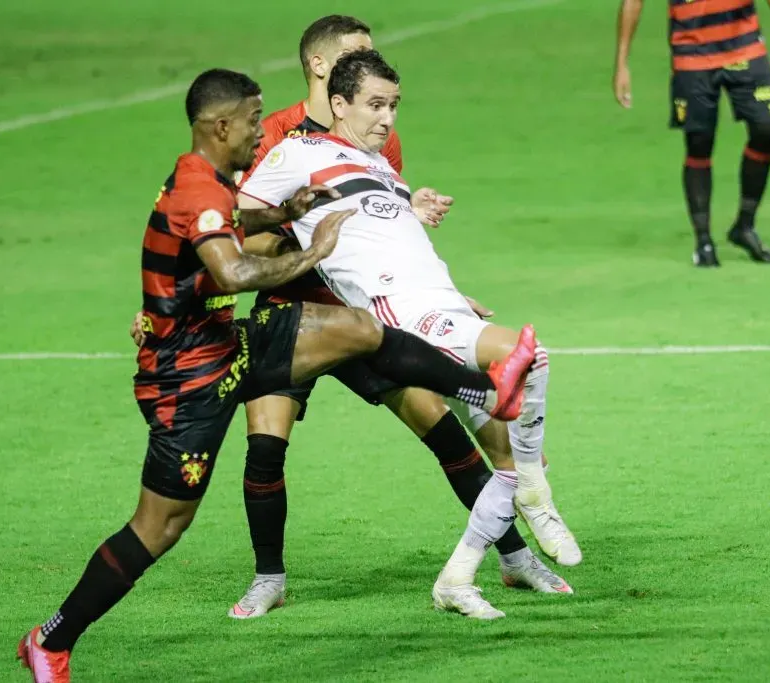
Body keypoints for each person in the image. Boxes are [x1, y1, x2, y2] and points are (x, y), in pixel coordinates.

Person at [17, 68, 537, 683]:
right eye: (252, 121)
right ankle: (50, 640)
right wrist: (312, 252)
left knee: (358, 329)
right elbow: (233, 273)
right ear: (221, 127)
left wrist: (285, 213)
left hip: (228, 345)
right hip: (185, 379)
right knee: (161, 525)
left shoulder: (211, 179)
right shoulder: (197, 189)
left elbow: (232, 228)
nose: (260, 131)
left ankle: (482, 388)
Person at [230, 14, 574, 617]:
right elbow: (241, 231)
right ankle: (268, 579)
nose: (368, 63)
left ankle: (515, 558)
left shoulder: (378, 138)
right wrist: (310, 241)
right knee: (264, 446)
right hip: (294, 311)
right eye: (355, 54)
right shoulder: (280, 137)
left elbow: (383, 219)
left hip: (369, 316)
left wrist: (418, 229)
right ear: (321, 68)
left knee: (447, 434)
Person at [612, 0, 770, 266]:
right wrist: (622, 63)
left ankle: (744, 225)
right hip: (692, 55)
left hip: (746, 48)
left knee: (766, 128)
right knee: (699, 141)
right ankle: (704, 241)